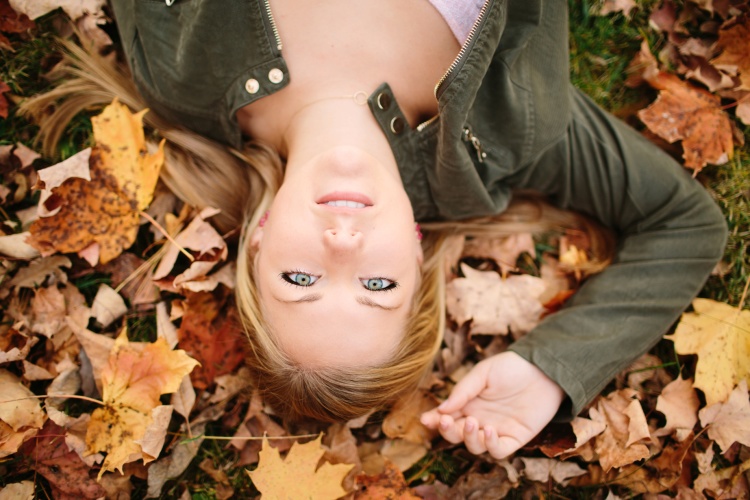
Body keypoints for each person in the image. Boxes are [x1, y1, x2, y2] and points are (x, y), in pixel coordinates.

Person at [23, 0, 727, 460]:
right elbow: (686, 224)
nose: (342, 246)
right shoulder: (506, 134)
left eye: (302, 281)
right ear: (416, 258)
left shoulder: (184, 69)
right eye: (377, 285)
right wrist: (550, 370)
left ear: (259, 241)